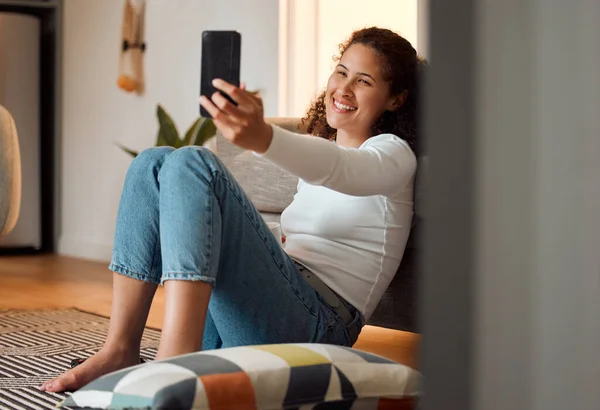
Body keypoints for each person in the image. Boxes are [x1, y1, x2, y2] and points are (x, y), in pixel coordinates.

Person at [41, 26, 424, 393]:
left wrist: (265, 137)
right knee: (154, 162)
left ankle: (176, 360)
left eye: (364, 81)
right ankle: (119, 351)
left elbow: (343, 170)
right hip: (263, 314)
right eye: (341, 71)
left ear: (396, 99)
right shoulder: (320, 151)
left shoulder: (394, 156)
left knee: (194, 163)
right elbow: (324, 173)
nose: (344, 87)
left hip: (316, 329)